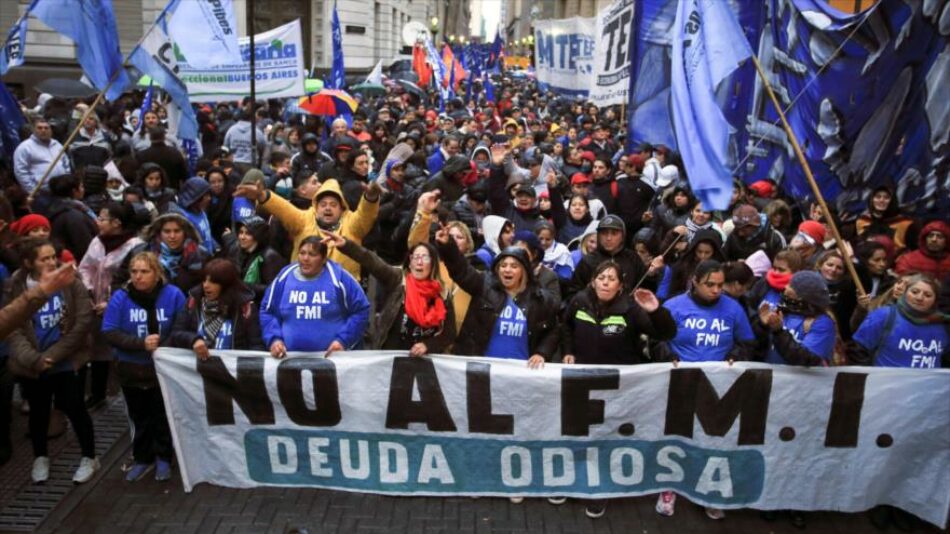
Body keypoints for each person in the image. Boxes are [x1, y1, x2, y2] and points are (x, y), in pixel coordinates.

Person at [559, 260, 676, 518]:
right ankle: (569, 481)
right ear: (593, 281)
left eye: (611, 279)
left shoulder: (632, 310)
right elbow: (565, 325)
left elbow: (667, 333)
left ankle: (601, 490)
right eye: (601, 277)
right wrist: (568, 351)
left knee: (606, 438)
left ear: (621, 285)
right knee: (578, 434)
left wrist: (656, 311)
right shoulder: (579, 301)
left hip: (618, 389)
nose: (605, 282)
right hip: (582, 383)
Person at [655, 260, 755, 521]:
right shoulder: (674, 306)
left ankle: (709, 491)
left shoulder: (733, 309)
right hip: (680, 384)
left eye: (720, 285)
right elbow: (656, 339)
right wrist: (666, 353)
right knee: (676, 437)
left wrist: (736, 353)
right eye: (710, 284)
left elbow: (747, 342)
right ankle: (669, 487)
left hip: (717, 388)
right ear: (695, 282)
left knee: (711, 441)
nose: (716, 290)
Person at [5, 238, 97, 484]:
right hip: (33, 365)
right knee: (38, 411)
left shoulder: (69, 282)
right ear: (28, 263)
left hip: (66, 361)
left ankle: (89, 456)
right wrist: (34, 359)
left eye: (52, 257)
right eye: (43, 258)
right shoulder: (15, 286)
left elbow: (82, 322)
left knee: (75, 407)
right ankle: (40, 456)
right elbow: (12, 330)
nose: (51, 262)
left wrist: (54, 356)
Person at [101, 251, 186, 481]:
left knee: (162, 416)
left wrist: (163, 348)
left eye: (144, 272)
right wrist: (140, 344)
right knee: (139, 418)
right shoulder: (121, 297)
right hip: (132, 369)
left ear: (157, 273)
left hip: (162, 370)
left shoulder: (173, 295)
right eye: (134, 272)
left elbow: (181, 326)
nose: (138, 277)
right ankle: (142, 458)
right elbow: (109, 331)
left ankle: (164, 459)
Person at [434, 229, 558, 370]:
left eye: (514, 266)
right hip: (480, 371)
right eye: (503, 266)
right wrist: (448, 246)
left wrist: (541, 353)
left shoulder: (539, 298)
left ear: (524, 271)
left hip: (521, 375)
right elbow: (461, 270)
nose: (507, 270)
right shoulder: (484, 285)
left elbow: (553, 330)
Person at [329, 233, 456, 354]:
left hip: (425, 366)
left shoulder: (443, 293)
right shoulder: (398, 279)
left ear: (433, 263)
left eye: (425, 257)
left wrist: (428, 345)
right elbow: (372, 262)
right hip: (390, 358)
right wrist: (346, 245)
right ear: (410, 262)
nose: (419, 262)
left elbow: (449, 333)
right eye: (415, 257)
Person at [233, 178, 380, 280]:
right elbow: (283, 208)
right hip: (303, 288)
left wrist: (371, 198)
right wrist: (262, 195)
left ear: (342, 208)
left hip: (342, 293)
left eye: (333, 204)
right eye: (323, 204)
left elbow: (365, 214)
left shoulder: (353, 225)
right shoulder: (303, 220)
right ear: (316, 207)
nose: (328, 208)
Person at [78, 202, 145, 408]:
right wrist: (88, 291)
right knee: (96, 349)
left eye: (102, 218)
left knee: (122, 350)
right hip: (94, 305)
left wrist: (111, 303)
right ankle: (97, 394)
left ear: (116, 223)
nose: (98, 222)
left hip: (122, 306)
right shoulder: (97, 242)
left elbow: (133, 279)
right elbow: (85, 267)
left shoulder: (135, 246)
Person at [260, 237, 370, 358]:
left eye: (312, 254)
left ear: (324, 259)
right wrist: (274, 340)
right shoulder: (283, 278)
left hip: (334, 363)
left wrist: (343, 341)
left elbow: (361, 310)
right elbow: (267, 311)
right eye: (302, 253)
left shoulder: (340, 278)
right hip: (290, 362)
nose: (305, 258)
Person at [849, 274, 947, 369]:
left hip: (929, 385)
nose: (919, 298)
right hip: (884, 383)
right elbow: (858, 351)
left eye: (928, 295)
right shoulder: (884, 315)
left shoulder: (943, 324)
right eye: (915, 292)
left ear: (935, 300)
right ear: (905, 292)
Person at [169, 259, 263, 356]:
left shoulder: (245, 308)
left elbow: (256, 345)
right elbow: (176, 334)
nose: (206, 285)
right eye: (204, 280)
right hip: (196, 368)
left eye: (213, 282)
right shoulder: (193, 302)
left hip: (230, 369)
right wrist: (193, 340)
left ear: (225, 284)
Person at [758, 271, 838, 367]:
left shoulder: (822, 323)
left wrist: (779, 331)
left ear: (804, 296)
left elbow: (807, 360)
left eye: (791, 285)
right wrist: (762, 326)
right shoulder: (783, 311)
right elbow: (759, 349)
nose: (786, 287)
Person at [223, 215, 285, 301]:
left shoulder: (270, 257)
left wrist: (244, 286)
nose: (242, 237)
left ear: (258, 236)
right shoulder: (239, 251)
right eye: (241, 232)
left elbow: (273, 289)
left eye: (248, 233)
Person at [14, 119, 71, 193]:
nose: (43, 130)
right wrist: (32, 190)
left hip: (62, 190)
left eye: (46, 128)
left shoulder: (57, 144)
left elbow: (66, 163)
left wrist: (67, 181)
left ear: (51, 130)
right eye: (40, 128)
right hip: (41, 192)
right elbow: (21, 172)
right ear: (34, 130)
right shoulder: (24, 147)